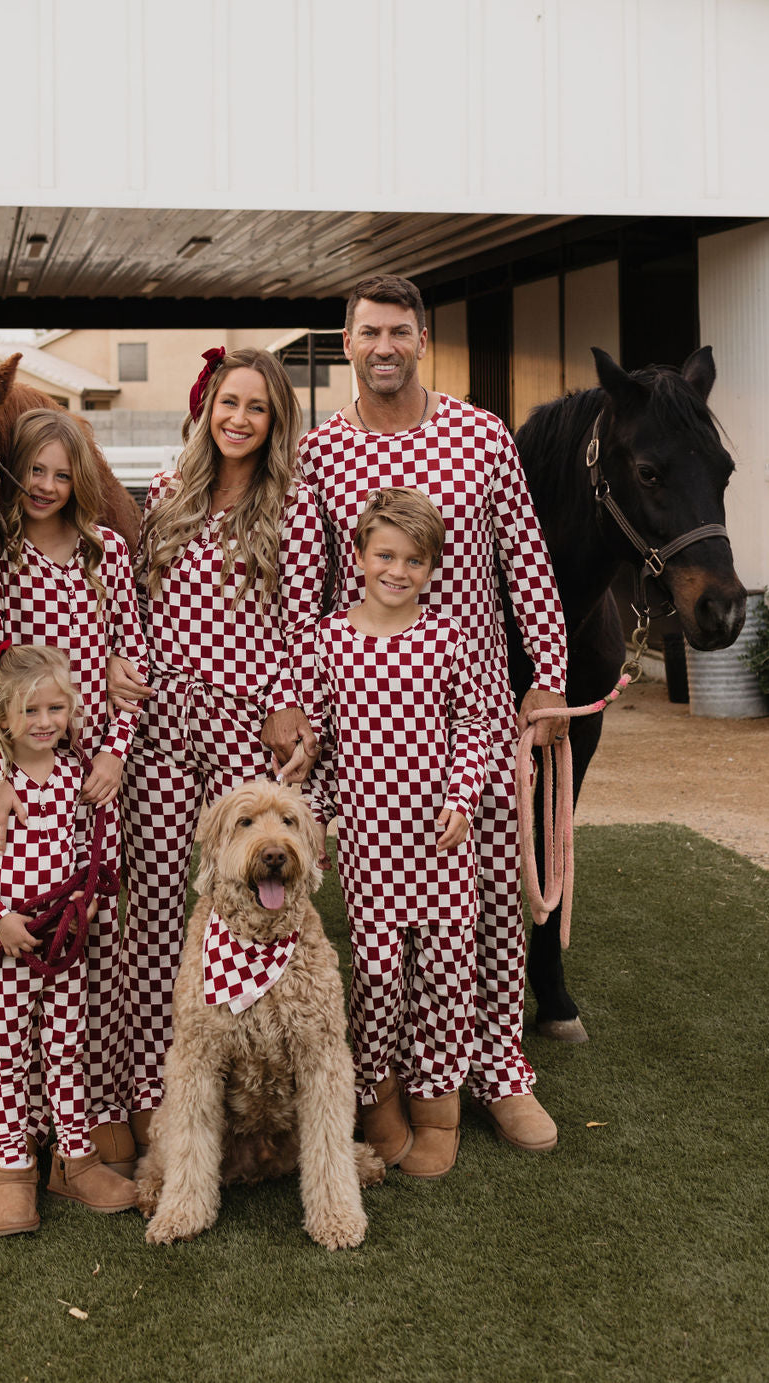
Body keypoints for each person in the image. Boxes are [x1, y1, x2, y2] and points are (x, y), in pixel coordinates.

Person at [296, 274, 568, 1154]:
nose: (384, 345)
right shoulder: (322, 453)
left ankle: (498, 1075)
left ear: (423, 339)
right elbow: (306, 586)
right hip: (370, 719)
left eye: (399, 331)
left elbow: (526, 560)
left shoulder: (481, 436)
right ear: (348, 342)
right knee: (380, 920)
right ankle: (394, 1080)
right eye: (368, 331)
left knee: (484, 908)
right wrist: (298, 700)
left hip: (472, 709)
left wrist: (549, 676)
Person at [115, 346, 327, 1149]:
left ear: (275, 422)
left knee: (244, 904)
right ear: (207, 409)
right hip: (165, 722)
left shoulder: (295, 507)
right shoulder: (168, 494)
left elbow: (304, 620)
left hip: (245, 727)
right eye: (228, 403)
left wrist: (285, 703)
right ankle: (151, 1086)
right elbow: (133, 601)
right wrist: (116, 663)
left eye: (257, 407)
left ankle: (253, 1080)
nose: (239, 418)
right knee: (162, 912)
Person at [0, 408, 149, 1179]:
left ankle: (89, 1111)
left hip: (92, 774)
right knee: (23, 942)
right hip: (23, 769)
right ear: (16, 474)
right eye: (34, 471)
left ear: (80, 482)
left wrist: (114, 752)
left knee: (92, 940)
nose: (45, 485)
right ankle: (15, 1133)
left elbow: (131, 663)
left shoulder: (105, 554)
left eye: (60, 474)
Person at [294, 489, 489, 1178]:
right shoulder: (329, 640)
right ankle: (375, 1087)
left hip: (440, 847)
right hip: (372, 850)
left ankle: (439, 1100)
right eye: (386, 555)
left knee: (443, 971)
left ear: (432, 567)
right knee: (378, 974)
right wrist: (313, 816)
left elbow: (474, 728)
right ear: (359, 557)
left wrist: (462, 796)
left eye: (414, 559)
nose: (398, 570)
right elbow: (317, 746)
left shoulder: (447, 639)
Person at [0, 643, 138, 1234]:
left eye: (56, 709)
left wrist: (87, 898)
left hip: (65, 943)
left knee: (66, 1049)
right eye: (31, 712)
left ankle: (74, 1160)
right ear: (3, 719)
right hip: (9, 944)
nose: (44, 722)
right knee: (9, 1056)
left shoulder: (71, 774)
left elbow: (87, 846)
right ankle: (12, 1169)